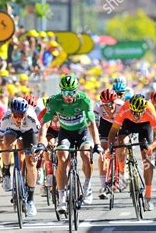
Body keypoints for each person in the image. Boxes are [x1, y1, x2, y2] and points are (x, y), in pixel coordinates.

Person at [39, 75, 103, 213]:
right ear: (61, 91)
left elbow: (92, 124)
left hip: (82, 131)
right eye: (65, 93)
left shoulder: (83, 100)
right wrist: (40, 142)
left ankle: (87, 185)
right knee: (61, 157)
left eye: (72, 92)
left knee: (86, 154)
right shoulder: (55, 101)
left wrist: (97, 143)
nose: (69, 96)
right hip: (65, 132)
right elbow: (45, 124)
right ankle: (62, 197)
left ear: (76, 90)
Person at [108, 94, 156, 211]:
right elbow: (113, 131)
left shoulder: (149, 109)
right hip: (128, 124)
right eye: (134, 112)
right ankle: (123, 173)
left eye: (139, 112)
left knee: (147, 160)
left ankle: (148, 197)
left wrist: (152, 146)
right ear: (130, 108)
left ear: (144, 109)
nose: (136, 115)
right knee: (121, 143)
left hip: (145, 126)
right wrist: (111, 148)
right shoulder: (125, 108)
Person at [0, 97, 40, 217]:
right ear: (11, 113)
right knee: (5, 143)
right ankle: (6, 172)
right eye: (16, 115)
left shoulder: (32, 118)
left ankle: (30, 200)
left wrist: (36, 154)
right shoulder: (6, 117)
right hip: (12, 131)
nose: (18, 118)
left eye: (21, 115)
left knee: (30, 163)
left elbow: (39, 138)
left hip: (29, 133)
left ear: (25, 113)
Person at [94, 89, 124, 198]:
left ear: (115, 101)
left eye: (111, 103)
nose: (109, 106)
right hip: (106, 124)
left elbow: (128, 124)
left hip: (120, 123)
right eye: (105, 104)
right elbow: (95, 125)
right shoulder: (98, 107)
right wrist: (96, 140)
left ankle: (122, 174)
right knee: (103, 151)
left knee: (122, 146)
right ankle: (103, 185)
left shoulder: (121, 106)